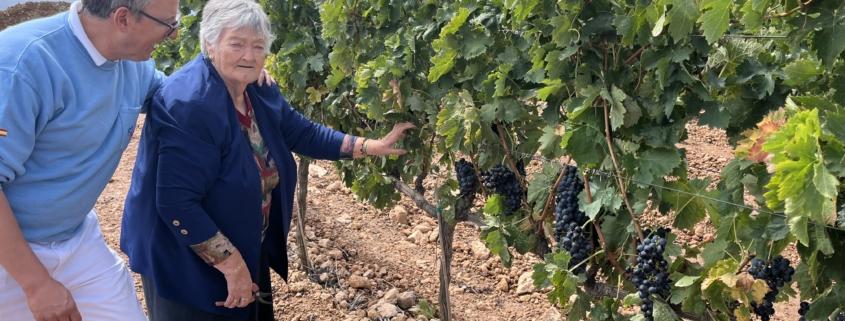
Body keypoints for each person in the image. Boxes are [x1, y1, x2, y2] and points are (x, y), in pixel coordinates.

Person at [119, 0, 415, 320]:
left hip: (240, 234)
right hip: (185, 251)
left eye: (258, 46)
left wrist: (371, 145)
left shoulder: (255, 87)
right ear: (210, 44)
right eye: (237, 44)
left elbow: (301, 132)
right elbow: (177, 204)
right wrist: (232, 268)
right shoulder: (191, 105)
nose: (249, 55)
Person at [0, 1, 274, 320]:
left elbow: (181, 98)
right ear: (123, 19)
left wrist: (230, 75)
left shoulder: (132, 65)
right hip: (11, 252)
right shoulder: (21, 65)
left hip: (75, 238)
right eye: (169, 25)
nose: (172, 36)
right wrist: (36, 284)